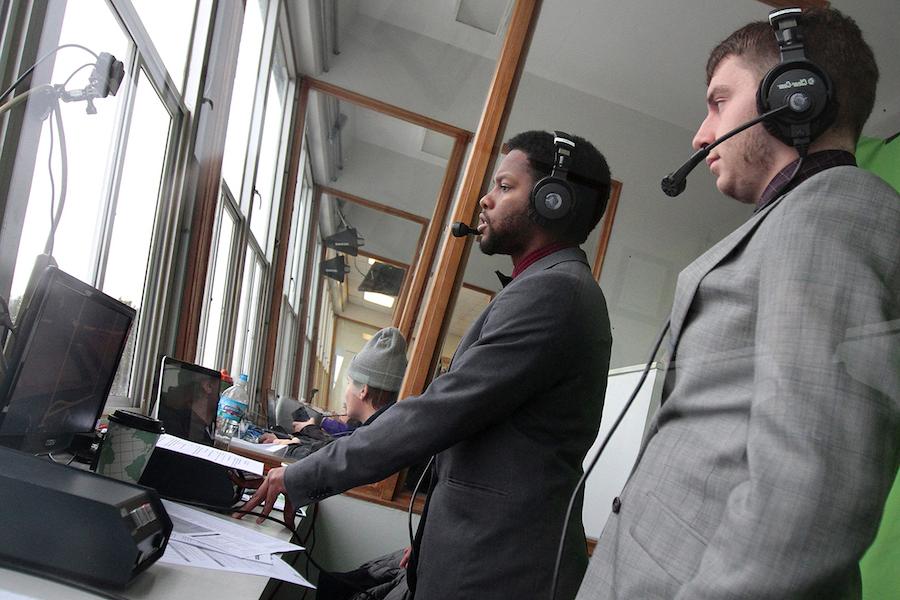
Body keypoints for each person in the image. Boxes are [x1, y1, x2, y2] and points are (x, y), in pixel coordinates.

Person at [578, 8, 900, 600]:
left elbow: (811, 494)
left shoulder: (838, 212)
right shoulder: (795, 218)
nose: (701, 135)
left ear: (795, 96)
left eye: (718, 101)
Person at [237, 130, 614, 600]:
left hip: (499, 569)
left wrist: (301, 476)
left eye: (503, 186)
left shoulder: (553, 294)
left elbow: (435, 415)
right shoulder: (547, 287)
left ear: (552, 200)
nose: (484, 199)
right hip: (484, 553)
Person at [258, 327, 407, 460]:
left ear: (363, 391)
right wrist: (294, 443)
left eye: (349, 382)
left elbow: (331, 460)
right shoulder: (382, 432)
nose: (346, 390)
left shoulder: (370, 440)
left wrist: (284, 447)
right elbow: (333, 450)